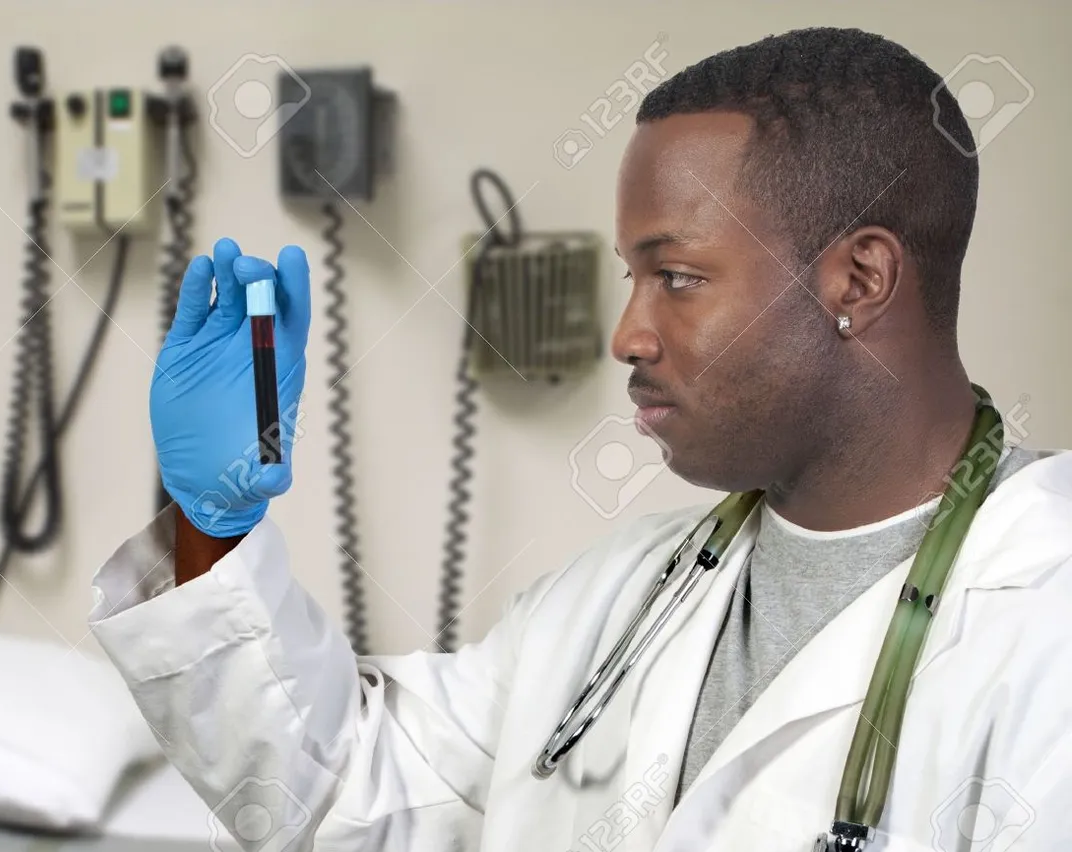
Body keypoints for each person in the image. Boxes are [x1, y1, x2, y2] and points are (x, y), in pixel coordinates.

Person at [89, 26, 1072, 851]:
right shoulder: (622, 592)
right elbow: (352, 790)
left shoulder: (1041, 621)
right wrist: (210, 523)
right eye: (629, 279)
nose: (627, 335)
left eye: (675, 277)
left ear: (856, 281)